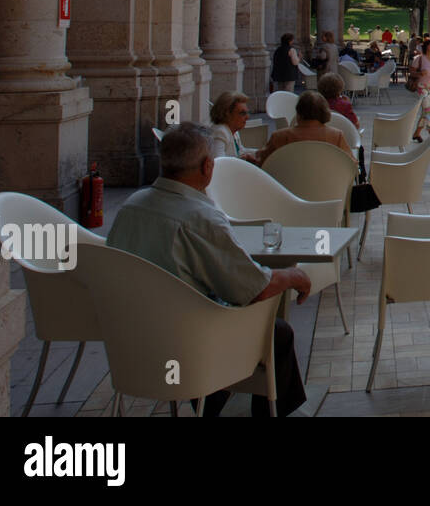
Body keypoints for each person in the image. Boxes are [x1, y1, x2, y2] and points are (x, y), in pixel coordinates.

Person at [107, 123, 310, 417]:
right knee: (277, 333)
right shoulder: (200, 217)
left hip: (131, 342)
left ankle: (210, 404)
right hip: (189, 343)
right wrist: (294, 276)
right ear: (206, 167)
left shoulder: (131, 207)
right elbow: (254, 289)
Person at [255, 91, 352, 166]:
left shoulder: (279, 136)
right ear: (324, 111)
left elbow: (263, 162)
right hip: (327, 187)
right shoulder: (336, 136)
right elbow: (351, 163)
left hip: (286, 188)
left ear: (298, 111)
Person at [208, 90, 259, 162]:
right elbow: (218, 163)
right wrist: (242, 160)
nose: (247, 117)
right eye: (242, 113)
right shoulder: (220, 132)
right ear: (227, 114)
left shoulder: (233, 131)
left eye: (247, 112)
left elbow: (241, 151)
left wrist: (261, 152)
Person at [409, 37, 430, 140]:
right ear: (426, 46)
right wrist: (420, 73)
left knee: (426, 111)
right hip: (422, 87)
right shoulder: (419, 58)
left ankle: (417, 133)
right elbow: (411, 72)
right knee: (428, 111)